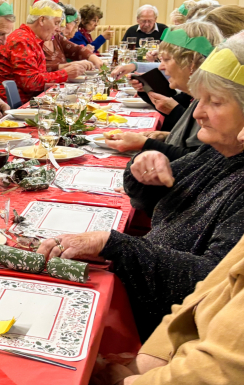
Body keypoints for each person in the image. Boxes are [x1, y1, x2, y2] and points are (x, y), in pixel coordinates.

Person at [37, 34, 244, 340]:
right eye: (200, 100)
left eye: (214, 102)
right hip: (143, 297)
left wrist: (113, 244)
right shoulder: (220, 151)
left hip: (159, 327)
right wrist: (142, 166)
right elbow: (155, 195)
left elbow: (211, 285)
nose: (197, 113)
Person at [95, 224, 244, 384]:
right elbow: (203, 293)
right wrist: (147, 360)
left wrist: (122, 382)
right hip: (181, 361)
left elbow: (217, 371)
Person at [104, 21, 224, 158]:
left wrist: (146, 144)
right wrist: (165, 136)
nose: (160, 67)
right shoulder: (199, 97)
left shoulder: (210, 107)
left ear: (191, 63)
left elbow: (197, 161)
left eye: (166, 60)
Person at [0, 0, 84, 104]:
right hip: (17, 106)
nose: (58, 29)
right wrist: (65, 74)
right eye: (56, 23)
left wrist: (63, 70)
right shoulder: (22, 40)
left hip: (29, 101)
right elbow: (30, 83)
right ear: (42, 20)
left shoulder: (30, 39)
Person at [43, 2, 104, 72]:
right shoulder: (34, 41)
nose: (59, 29)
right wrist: (66, 66)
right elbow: (36, 70)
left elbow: (76, 50)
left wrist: (94, 58)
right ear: (41, 21)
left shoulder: (56, 37)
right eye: (56, 23)